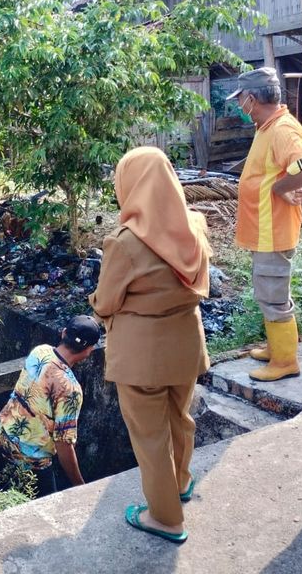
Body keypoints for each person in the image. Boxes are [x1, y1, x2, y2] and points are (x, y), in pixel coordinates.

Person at [89, 147, 210, 544]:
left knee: (150, 436)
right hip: (186, 343)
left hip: (141, 354)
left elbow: (106, 302)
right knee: (180, 419)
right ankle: (180, 484)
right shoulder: (195, 225)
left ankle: (165, 517)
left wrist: (101, 310)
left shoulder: (124, 242)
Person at [227, 67, 302, 381]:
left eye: (240, 99)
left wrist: (281, 189)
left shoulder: (282, 130)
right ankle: (275, 348)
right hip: (264, 230)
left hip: (273, 232)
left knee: (274, 297)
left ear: (252, 98)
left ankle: (285, 362)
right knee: (268, 292)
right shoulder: (267, 126)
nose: (239, 106)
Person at [0, 315, 102, 496]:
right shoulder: (70, 389)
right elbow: (63, 444)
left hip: (1, 436)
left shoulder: (40, 351)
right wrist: (80, 486)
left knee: (0, 491)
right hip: (31, 460)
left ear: (63, 333)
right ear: (89, 350)